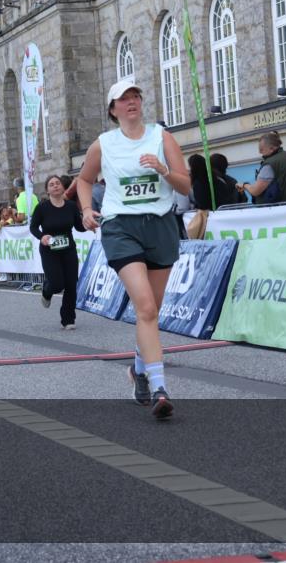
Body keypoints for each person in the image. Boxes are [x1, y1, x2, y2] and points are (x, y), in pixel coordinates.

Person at [76, 80, 191, 419]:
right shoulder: (104, 143)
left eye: (135, 96)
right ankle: (159, 388)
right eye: (123, 99)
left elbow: (185, 184)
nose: (131, 102)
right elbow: (84, 180)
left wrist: (163, 170)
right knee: (145, 306)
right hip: (121, 227)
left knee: (152, 310)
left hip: (160, 225)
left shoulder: (162, 137)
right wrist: (86, 209)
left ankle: (138, 370)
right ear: (113, 109)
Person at [29, 175, 86, 329]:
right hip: (50, 250)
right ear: (47, 190)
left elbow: (79, 226)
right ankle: (47, 291)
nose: (55, 186)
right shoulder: (42, 208)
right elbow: (33, 227)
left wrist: (89, 224)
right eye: (51, 184)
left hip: (69, 249)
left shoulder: (71, 206)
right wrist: (42, 237)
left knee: (71, 284)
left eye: (58, 183)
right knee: (56, 284)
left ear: (62, 187)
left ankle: (68, 319)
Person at [236, 131, 286, 204]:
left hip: (283, 208)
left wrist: (244, 185)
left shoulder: (270, 164)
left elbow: (255, 191)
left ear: (271, 148)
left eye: (261, 149)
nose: (260, 152)